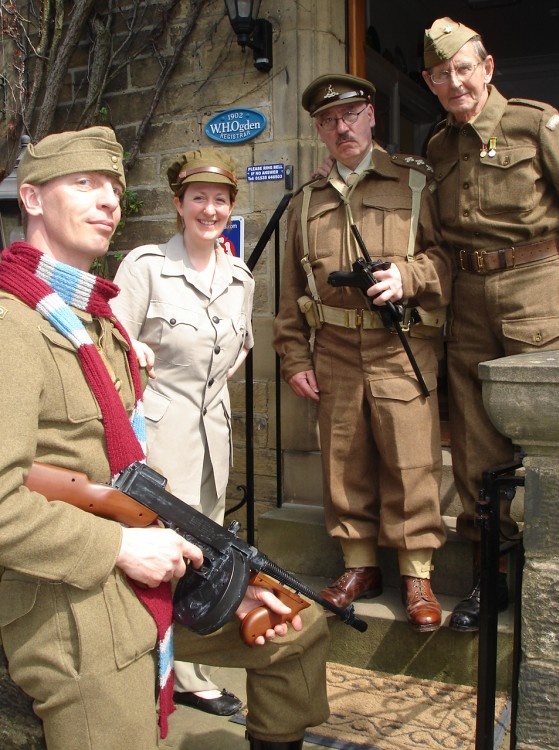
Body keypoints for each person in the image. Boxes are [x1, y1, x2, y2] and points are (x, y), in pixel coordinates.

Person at [0, 126, 330, 750]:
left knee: (295, 626)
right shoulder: (13, 327)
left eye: (115, 190)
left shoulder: (95, 324)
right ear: (34, 199)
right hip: (70, 598)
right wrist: (119, 545)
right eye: (84, 184)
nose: (108, 202)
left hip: (145, 553)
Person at [273, 74, 452, 633]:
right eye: (328, 120)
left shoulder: (415, 184)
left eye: (350, 114)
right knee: (343, 460)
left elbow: (446, 260)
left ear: (371, 115)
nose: (341, 127)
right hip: (334, 350)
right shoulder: (305, 202)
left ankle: (417, 573)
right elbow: (288, 293)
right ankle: (360, 566)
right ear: (319, 131)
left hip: (402, 345)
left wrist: (407, 274)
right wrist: (293, 358)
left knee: (411, 459)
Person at [421, 18, 559, 631]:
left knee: (551, 439)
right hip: (468, 299)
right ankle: (492, 577)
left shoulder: (537, 124)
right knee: (478, 450)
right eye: (441, 76)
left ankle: (553, 576)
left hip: (538, 290)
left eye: (463, 69)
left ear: (488, 67)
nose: (455, 84)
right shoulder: (437, 148)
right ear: (429, 83)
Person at [111, 147, 252, 716]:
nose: (210, 209)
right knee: (160, 557)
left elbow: (238, 348)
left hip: (213, 438)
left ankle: (185, 668)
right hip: (158, 442)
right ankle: (153, 669)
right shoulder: (145, 266)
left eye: (220, 200)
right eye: (199, 198)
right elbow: (110, 343)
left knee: (205, 557)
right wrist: (134, 350)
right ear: (179, 204)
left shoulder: (239, 276)